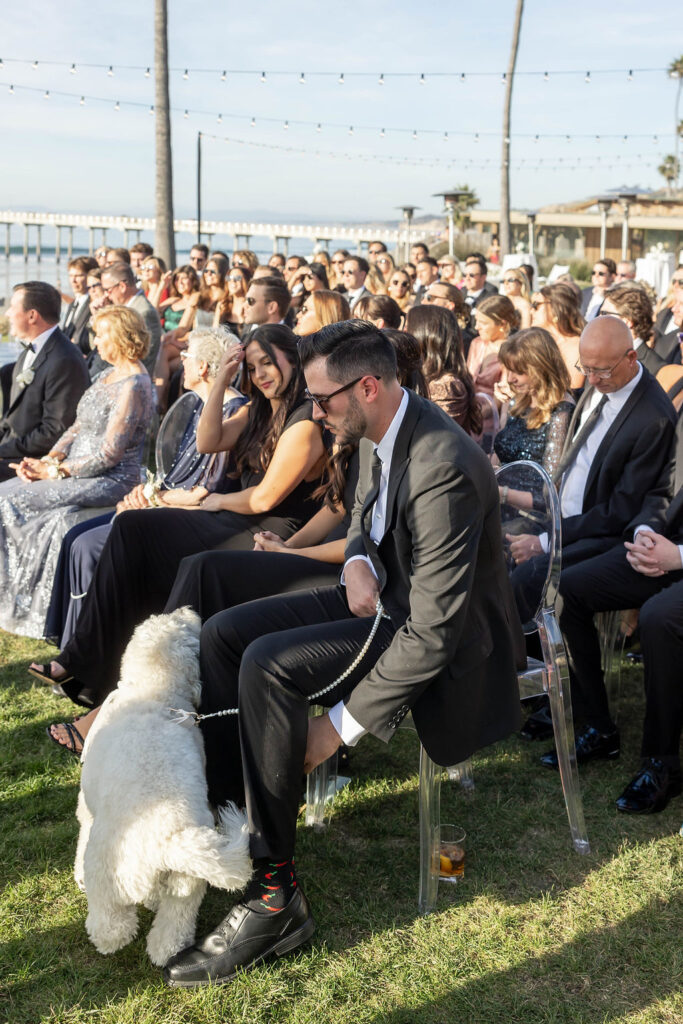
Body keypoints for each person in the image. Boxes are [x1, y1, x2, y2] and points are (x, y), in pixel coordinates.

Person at [160, 320, 523, 988]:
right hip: (381, 599)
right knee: (224, 633)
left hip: (430, 635)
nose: (314, 408)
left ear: (368, 386)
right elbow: (364, 519)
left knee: (266, 664)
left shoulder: (442, 463)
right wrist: (356, 560)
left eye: (322, 398)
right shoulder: (373, 431)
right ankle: (234, 817)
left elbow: (434, 630)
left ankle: (274, 898)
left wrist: (335, 728)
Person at [39, 325, 327, 718]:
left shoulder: (305, 421)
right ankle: (87, 663)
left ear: (294, 362)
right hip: (233, 517)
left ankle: (131, 691)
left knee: (172, 557)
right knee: (132, 528)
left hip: (271, 529)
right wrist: (225, 376)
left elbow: (265, 497)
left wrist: (213, 501)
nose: (260, 375)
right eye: (253, 367)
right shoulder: (257, 409)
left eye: (268, 364)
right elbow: (209, 441)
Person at [42, 325, 247, 653]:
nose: (180, 359)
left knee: (89, 547)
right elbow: (173, 474)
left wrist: (151, 499)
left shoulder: (233, 410)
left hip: (190, 516)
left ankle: (98, 654)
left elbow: (205, 488)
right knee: (75, 538)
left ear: (204, 368)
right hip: (164, 501)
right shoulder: (195, 403)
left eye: (187, 355)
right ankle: (76, 650)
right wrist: (147, 495)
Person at [505, 316, 677, 624]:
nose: (593, 379)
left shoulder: (653, 416)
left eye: (601, 370)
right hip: (559, 516)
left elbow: (619, 512)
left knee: (529, 578)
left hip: (597, 532)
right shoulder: (603, 379)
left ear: (631, 358)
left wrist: (547, 541)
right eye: (585, 368)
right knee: (494, 549)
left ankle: (542, 668)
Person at [0, 305, 154, 638]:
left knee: (9, 503)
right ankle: (10, 595)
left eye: (101, 335)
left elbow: (108, 454)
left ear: (120, 337)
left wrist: (54, 473)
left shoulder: (135, 385)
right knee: (5, 492)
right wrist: (49, 459)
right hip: (73, 469)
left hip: (110, 479)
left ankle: (26, 606)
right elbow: (77, 427)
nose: (95, 342)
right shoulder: (105, 374)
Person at [556, 435, 683, 811]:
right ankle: (598, 725)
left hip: (677, 554)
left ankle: (662, 763)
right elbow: (661, 488)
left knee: (659, 617)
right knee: (569, 587)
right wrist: (645, 533)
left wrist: (677, 555)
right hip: (664, 544)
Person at [0, 282, 90, 482]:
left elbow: (54, 431)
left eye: (13, 308)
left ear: (32, 315)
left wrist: (4, 450)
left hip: (35, 461)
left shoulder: (65, 359)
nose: (7, 314)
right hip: (13, 447)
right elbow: (11, 418)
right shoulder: (31, 349)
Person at [494, 328, 574, 483]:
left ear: (540, 369)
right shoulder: (517, 399)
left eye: (518, 372)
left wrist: (503, 493)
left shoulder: (561, 411)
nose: (510, 379)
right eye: (508, 371)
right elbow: (499, 455)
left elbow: (550, 488)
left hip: (527, 504)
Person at [406, 305, 481, 434]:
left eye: (409, 328)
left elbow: (432, 435)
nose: (403, 331)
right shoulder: (423, 374)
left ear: (426, 334)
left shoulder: (447, 385)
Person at [100, 263, 161, 377]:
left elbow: (142, 357)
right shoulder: (127, 308)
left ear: (122, 286)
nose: (106, 295)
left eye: (108, 290)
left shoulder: (143, 312)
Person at [600, 283, 665, 376]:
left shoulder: (654, 369)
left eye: (604, 313)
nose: (598, 319)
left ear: (627, 321)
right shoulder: (600, 355)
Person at [531, 283, 586, 389]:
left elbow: (573, 390)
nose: (531, 310)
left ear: (555, 308)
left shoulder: (576, 347)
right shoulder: (539, 341)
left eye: (536, 305)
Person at [466, 295, 520, 402]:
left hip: (492, 412)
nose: (477, 327)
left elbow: (503, 395)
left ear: (502, 324)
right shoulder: (477, 343)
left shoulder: (511, 351)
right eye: (476, 321)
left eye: (483, 323)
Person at [216, 264, 253, 333]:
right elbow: (215, 332)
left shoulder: (252, 306)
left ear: (246, 280)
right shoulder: (222, 305)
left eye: (237, 278)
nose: (232, 281)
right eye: (229, 278)